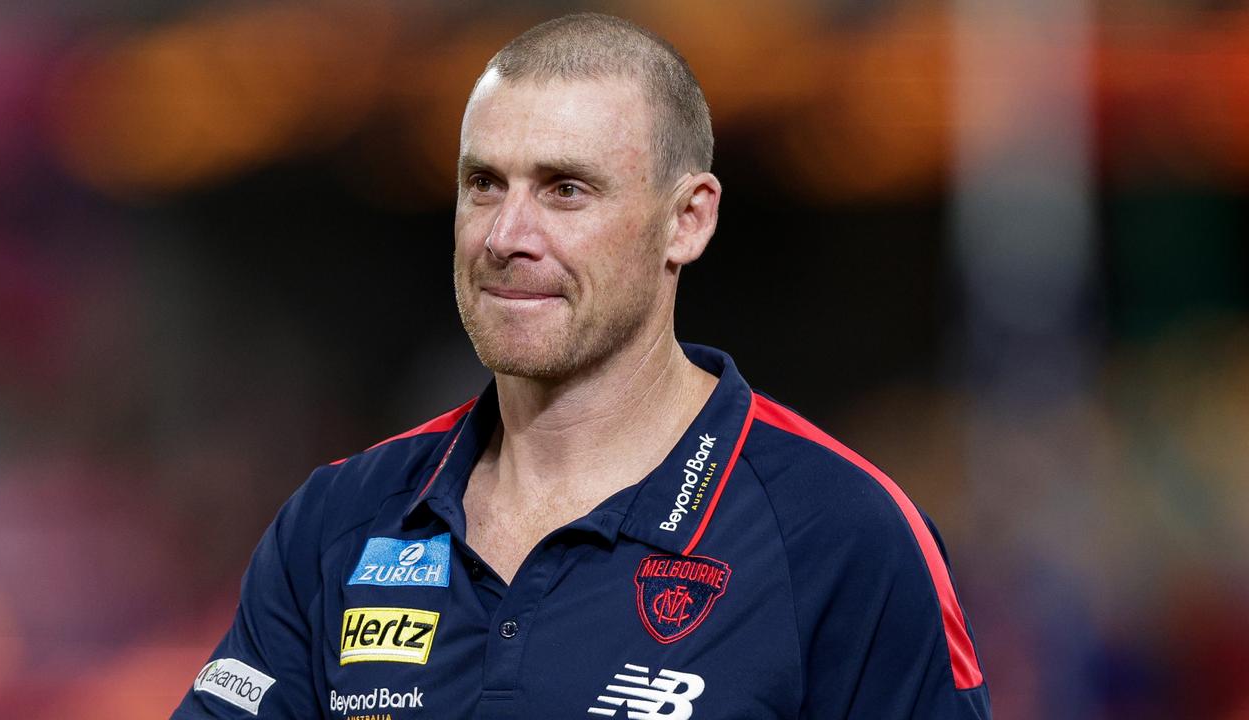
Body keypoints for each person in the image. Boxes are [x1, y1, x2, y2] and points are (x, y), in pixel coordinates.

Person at [173, 12, 990, 720]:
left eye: (565, 189)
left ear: (688, 222)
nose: (505, 235)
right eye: (484, 184)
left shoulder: (842, 533)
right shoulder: (340, 522)